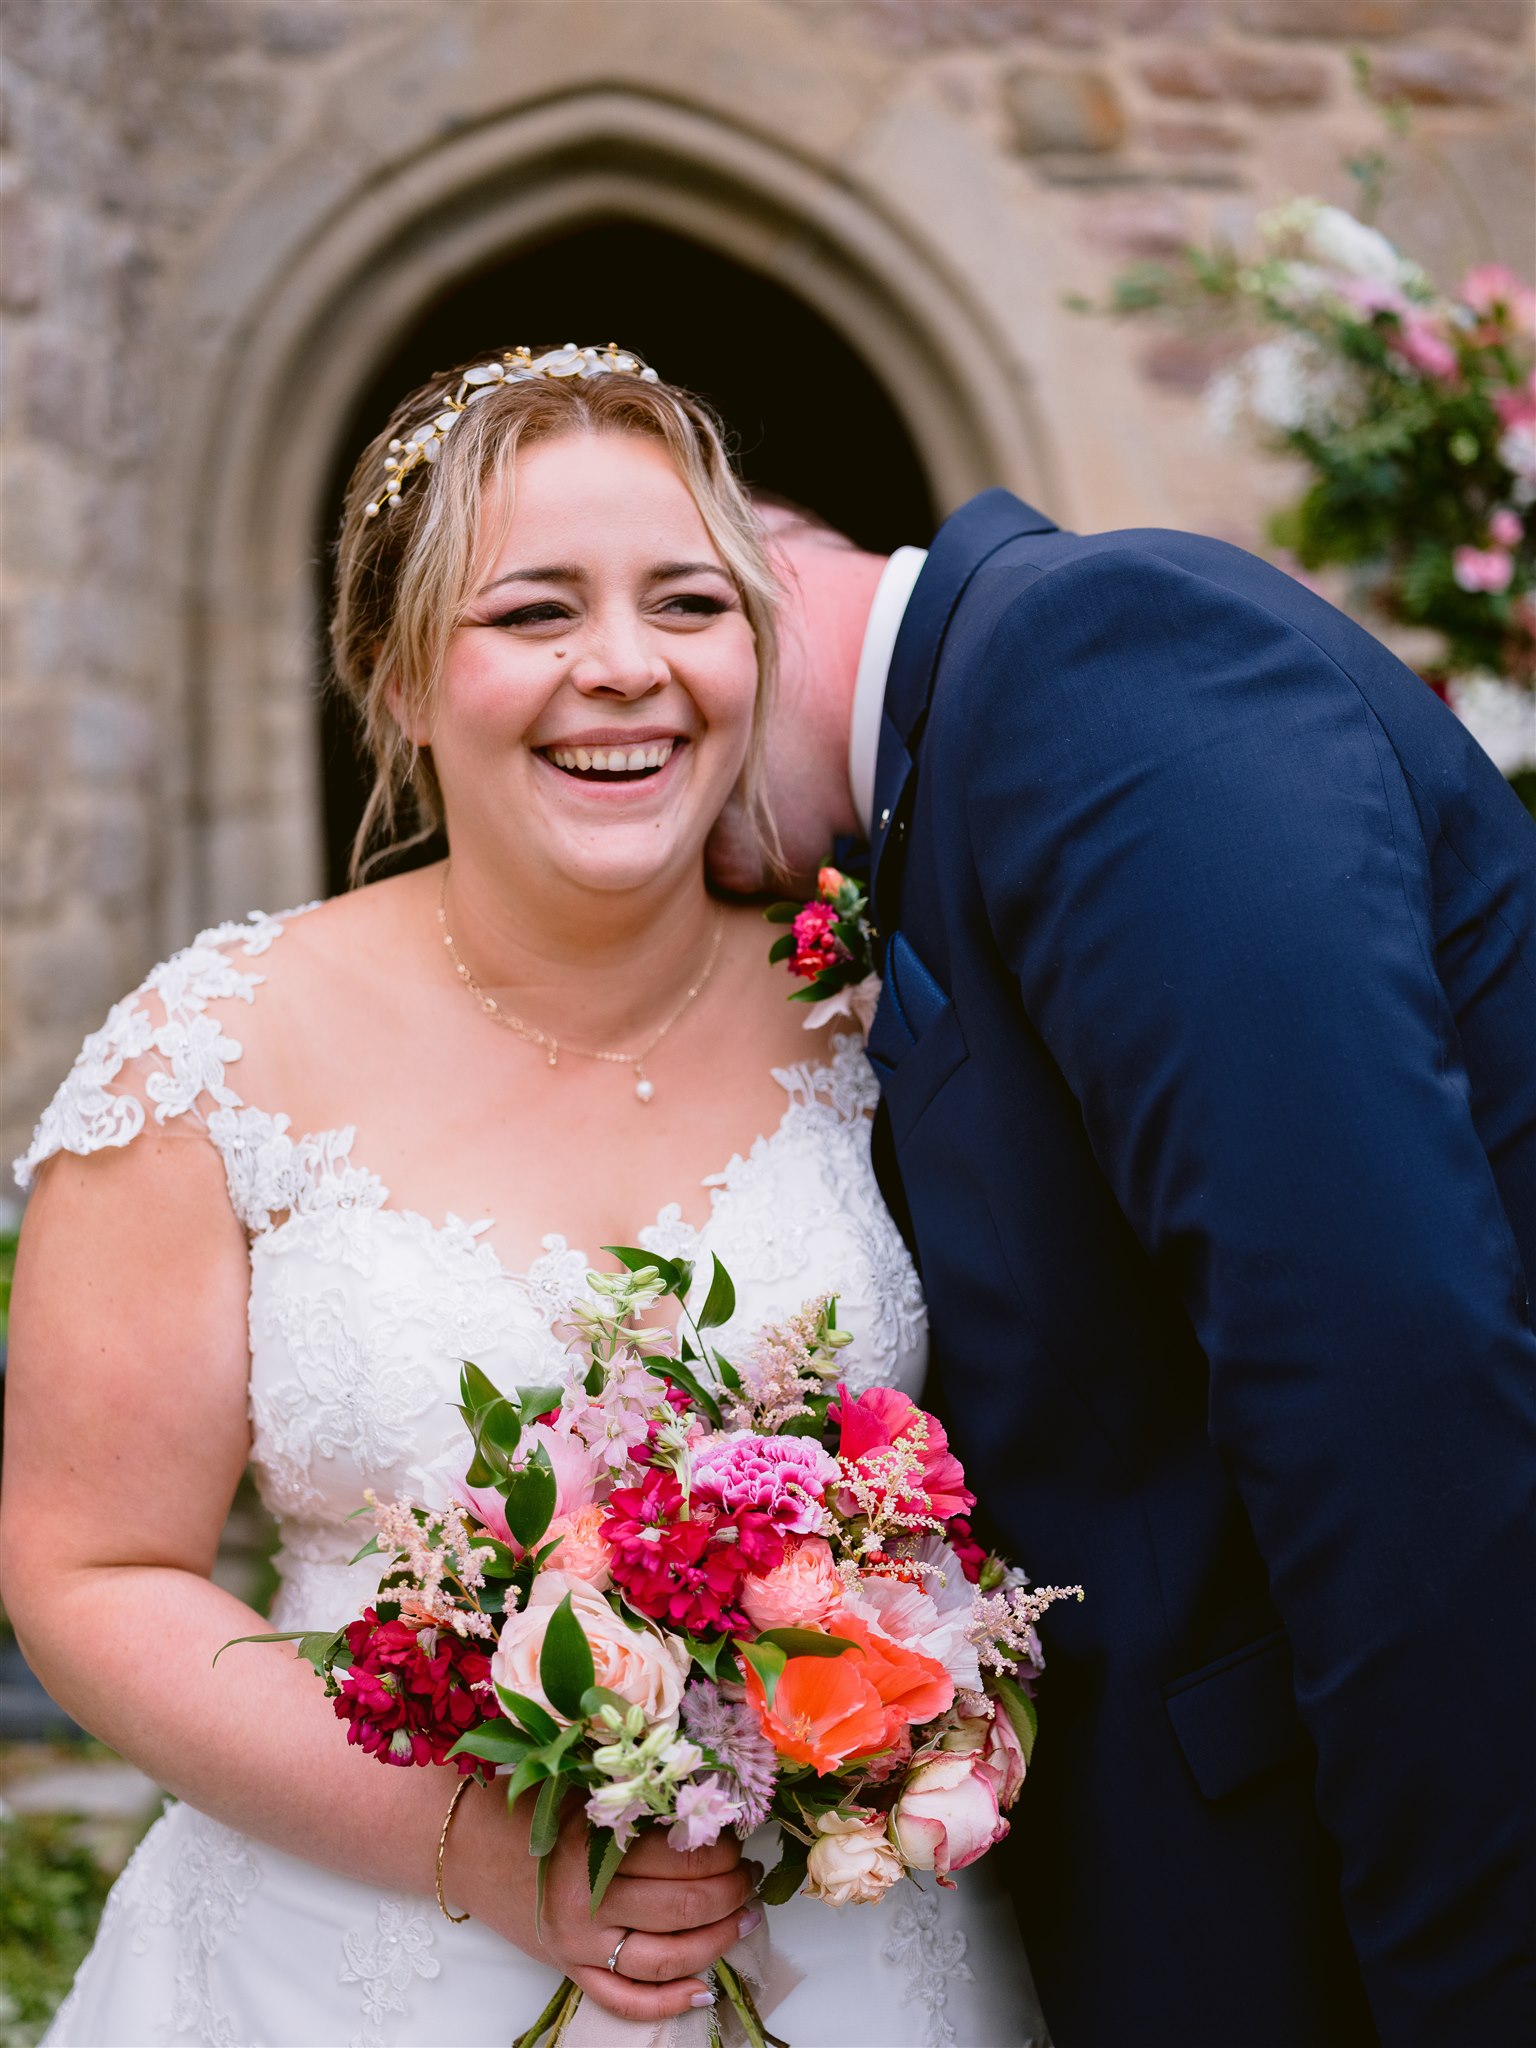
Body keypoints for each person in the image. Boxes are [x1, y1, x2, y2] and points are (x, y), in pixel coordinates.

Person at [0, 351, 1043, 2048]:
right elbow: (94, 1569)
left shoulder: (879, 1015)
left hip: (849, 1953)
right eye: (533, 614)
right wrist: (476, 1845)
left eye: (688, 602)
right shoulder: (206, 1055)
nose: (622, 670)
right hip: (339, 1960)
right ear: (399, 678)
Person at [707, 489, 1536, 2047]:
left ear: (736, 564)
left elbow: (1379, 1378)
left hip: (1381, 1912)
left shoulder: (1097, 664)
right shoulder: (961, 748)